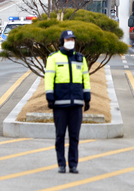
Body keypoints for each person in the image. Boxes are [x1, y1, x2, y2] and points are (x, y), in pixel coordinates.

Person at [45, 30, 91, 174]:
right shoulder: (53, 58)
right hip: (59, 104)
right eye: (67, 39)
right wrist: (50, 97)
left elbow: (86, 79)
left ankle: (73, 164)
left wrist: (87, 97)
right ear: (62, 41)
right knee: (60, 136)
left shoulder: (80, 58)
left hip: (76, 103)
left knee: (74, 136)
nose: (70, 41)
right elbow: (49, 78)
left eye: (72, 39)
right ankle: (61, 164)